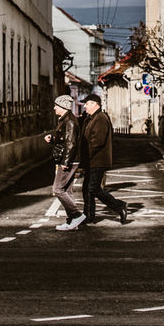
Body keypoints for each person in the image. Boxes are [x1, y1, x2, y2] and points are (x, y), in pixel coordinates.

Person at [80, 93, 127, 225]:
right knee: (87, 188)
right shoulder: (91, 118)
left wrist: (86, 156)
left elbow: (97, 142)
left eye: (87, 103)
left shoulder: (100, 119)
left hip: (97, 160)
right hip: (91, 160)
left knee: (93, 188)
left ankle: (119, 206)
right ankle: (88, 215)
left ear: (95, 104)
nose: (85, 106)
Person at [44, 94, 85, 230]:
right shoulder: (65, 120)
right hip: (70, 159)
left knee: (57, 189)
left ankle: (76, 215)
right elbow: (64, 140)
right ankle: (72, 222)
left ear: (63, 106)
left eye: (56, 105)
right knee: (67, 190)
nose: (54, 108)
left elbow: (71, 143)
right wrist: (53, 139)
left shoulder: (70, 121)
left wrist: (66, 161)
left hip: (69, 160)